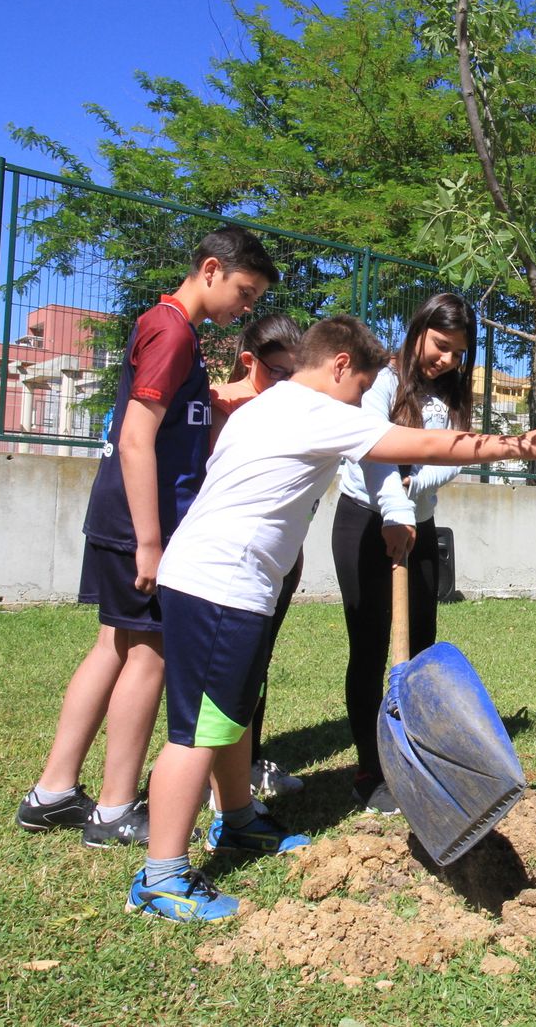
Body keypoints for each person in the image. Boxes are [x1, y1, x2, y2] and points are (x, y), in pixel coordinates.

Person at [126, 315, 536, 921]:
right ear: (338, 366)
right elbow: (422, 444)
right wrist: (519, 445)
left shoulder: (265, 405)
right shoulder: (316, 410)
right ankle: (161, 877)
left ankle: (238, 821)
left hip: (226, 582)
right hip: (221, 586)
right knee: (197, 733)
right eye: (361, 390)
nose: (363, 405)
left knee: (231, 713)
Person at [15, 226, 279, 848]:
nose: (246, 308)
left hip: (121, 520)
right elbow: (136, 437)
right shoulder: (173, 330)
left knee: (113, 645)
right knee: (150, 656)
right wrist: (152, 542)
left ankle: (52, 793)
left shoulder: (168, 328)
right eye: (244, 292)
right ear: (211, 270)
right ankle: (112, 810)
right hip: (140, 526)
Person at [332, 293, 475, 816]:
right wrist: (395, 509)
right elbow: (373, 454)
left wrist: (413, 487)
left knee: (419, 646)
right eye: (441, 346)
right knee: (371, 647)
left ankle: (412, 754)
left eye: (458, 353)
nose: (447, 360)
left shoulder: (449, 396)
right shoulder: (382, 381)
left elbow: (453, 454)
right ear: (418, 332)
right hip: (366, 523)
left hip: (420, 524)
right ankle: (373, 768)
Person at [208, 313, 307, 802]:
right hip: (228, 568)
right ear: (249, 362)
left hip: (279, 562)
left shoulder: (298, 410)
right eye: (278, 373)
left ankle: (245, 764)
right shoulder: (223, 406)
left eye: (296, 374)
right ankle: (216, 776)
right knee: (225, 673)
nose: (287, 385)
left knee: (258, 665)